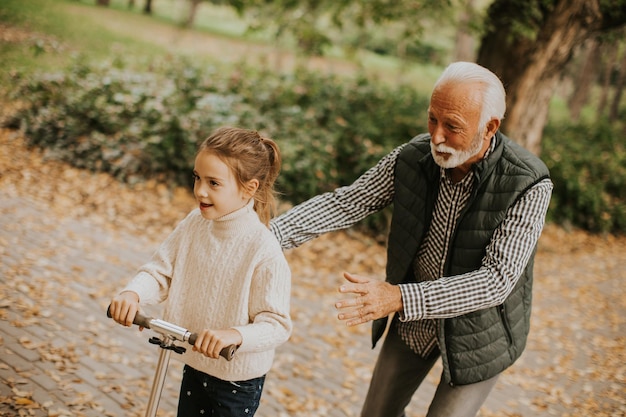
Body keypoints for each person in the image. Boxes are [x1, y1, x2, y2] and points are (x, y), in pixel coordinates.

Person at [269, 61, 553, 417]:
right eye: (433, 119)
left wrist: (399, 296)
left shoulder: (528, 183)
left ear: (490, 127)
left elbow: (496, 281)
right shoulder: (413, 157)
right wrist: (265, 238)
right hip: (413, 319)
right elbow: (347, 203)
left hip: (479, 331)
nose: (436, 137)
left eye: (453, 127)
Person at [109, 127, 292, 417]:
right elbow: (161, 272)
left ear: (250, 188)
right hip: (196, 360)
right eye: (198, 178)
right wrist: (133, 294)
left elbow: (276, 324)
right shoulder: (195, 223)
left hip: (236, 378)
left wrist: (235, 334)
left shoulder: (263, 250)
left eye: (214, 183)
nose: (200, 191)